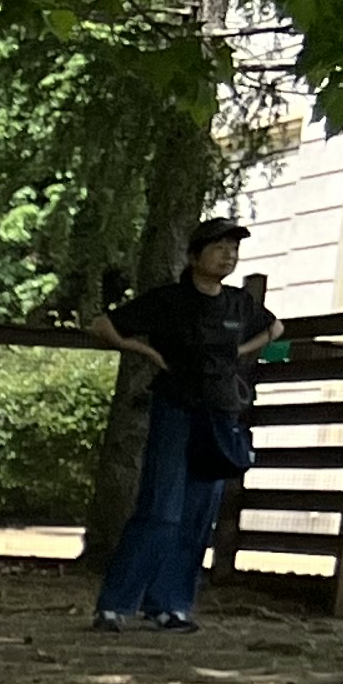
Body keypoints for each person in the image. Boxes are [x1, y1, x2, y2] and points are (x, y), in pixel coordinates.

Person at [85, 219, 273, 634]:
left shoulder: (239, 304)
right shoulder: (169, 300)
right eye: (218, 247)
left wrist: (236, 353)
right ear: (193, 257)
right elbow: (104, 325)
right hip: (177, 410)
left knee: (197, 515)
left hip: (221, 417)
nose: (227, 255)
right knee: (160, 509)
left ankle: (170, 606)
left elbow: (274, 329)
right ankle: (115, 605)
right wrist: (148, 353)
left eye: (233, 249)